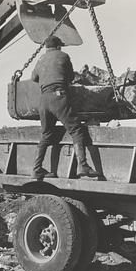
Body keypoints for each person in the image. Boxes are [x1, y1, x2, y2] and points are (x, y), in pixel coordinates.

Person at [31, 35, 99, 180]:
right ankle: (83, 165)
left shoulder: (40, 59)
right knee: (76, 130)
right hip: (58, 97)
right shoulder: (63, 56)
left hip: (43, 100)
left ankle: (36, 169)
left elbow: (34, 78)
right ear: (58, 46)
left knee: (46, 134)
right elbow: (70, 77)